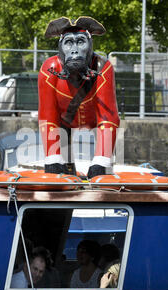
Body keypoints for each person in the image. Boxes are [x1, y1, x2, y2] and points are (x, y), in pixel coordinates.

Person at [38, 16, 120, 178]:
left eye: (80, 42)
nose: (74, 50)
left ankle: (102, 163)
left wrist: (101, 161)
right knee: (62, 169)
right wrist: (53, 157)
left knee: (103, 170)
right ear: (61, 47)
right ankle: (66, 167)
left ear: (89, 46)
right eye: (69, 43)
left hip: (95, 119)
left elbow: (108, 116)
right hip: (64, 122)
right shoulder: (49, 70)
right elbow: (48, 116)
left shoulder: (103, 68)